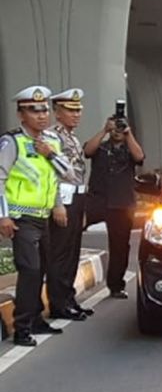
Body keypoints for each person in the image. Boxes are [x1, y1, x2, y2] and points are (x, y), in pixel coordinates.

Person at [0, 86, 81, 345]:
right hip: (20, 218)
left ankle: (35, 320)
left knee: (44, 268)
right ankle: (22, 327)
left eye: (44, 109)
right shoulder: (12, 142)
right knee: (31, 270)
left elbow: (64, 175)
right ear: (21, 115)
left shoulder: (53, 142)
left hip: (44, 217)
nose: (41, 115)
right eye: (33, 110)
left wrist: (50, 154)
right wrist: (3, 216)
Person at [44, 88, 93, 320]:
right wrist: (57, 205)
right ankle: (58, 303)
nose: (76, 115)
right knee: (60, 255)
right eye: (70, 110)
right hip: (62, 199)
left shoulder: (72, 136)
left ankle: (68, 298)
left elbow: (79, 174)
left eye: (78, 110)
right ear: (57, 112)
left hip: (77, 198)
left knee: (73, 253)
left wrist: (81, 208)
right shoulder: (52, 137)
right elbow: (50, 174)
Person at [85, 111, 145, 299]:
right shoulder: (101, 148)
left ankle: (116, 285)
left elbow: (139, 157)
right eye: (115, 126)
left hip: (122, 202)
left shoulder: (129, 148)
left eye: (121, 126)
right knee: (70, 234)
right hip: (97, 199)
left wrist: (128, 134)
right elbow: (87, 151)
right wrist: (104, 130)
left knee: (120, 246)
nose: (117, 130)